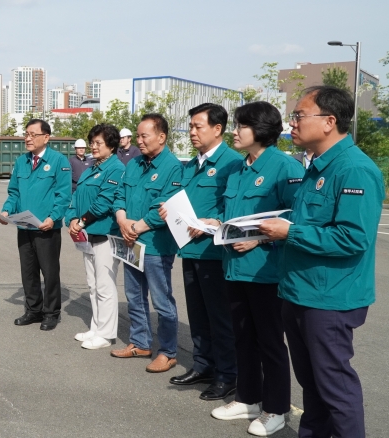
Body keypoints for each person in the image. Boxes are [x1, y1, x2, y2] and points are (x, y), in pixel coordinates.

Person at [259, 86, 382, 438]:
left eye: (299, 115)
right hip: (299, 291)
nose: (291, 124)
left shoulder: (355, 169)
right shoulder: (314, 166)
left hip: (329, 299)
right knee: (312, 387)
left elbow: (353, 238)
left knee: (335, 389)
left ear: (329, 121)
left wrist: (289, 232)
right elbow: (309, 222)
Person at [209, 101, 302, 436]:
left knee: (270, 342)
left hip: (266, 270)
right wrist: (214, 222)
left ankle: (276, 408)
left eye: (241, 126)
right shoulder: (237, 169)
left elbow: (294, 218)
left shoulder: (285, 167)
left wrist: (259, 241)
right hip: (234, 268)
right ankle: (247, 397)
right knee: (243, 336)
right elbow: (232, 214)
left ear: (261, 129)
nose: (235, 131)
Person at [161, 103, 242, 401]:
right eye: (191, 126)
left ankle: (227, 374)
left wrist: (216, 220)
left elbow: (232, 206)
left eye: (198, 126)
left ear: (217, 129)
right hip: (190, 251)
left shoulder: (232, 163)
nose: (192, 132)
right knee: (197, 315)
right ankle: (203, 365)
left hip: (214, 253)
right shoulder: (192, 164)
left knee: (219, 317)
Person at [111, 113, 182, 373]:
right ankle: (140, 342)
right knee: (134, 295)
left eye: (144, 136)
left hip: (155, 244)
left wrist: (137, 227)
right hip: (130, 242)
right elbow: (119, 194)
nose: (139, 141)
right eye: (137, 136)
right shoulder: (133, 163)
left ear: (161, 137)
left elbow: (167, 205)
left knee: (162, 301)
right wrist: (121, 220)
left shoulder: (173, 167)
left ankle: (168, 351)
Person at [0, 119, 72, 331]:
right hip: (24, 226)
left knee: (49, 272)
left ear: (46, 137)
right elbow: (14, 192)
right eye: (26, 134)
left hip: (46, 228)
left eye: (33, 134)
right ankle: (33, 310)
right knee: (28, 271)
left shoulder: (59, 161)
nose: (28, 138)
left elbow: (63, 195)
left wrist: (53, 217)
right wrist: (6, 210)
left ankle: (51, 313)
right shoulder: (21, 161)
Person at [66, 124, 125, 349]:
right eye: (92, 142)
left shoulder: (116, 168)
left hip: (105, 234)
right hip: (86, 235)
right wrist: (72, 218)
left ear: (111, 145)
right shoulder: (91, 168)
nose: (93, 146)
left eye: (98, 143)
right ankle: (96, 327)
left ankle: (106, 334)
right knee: (92, 284)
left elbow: (105, 201)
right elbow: (77, 196)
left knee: (105, 285)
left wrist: (82, 221)